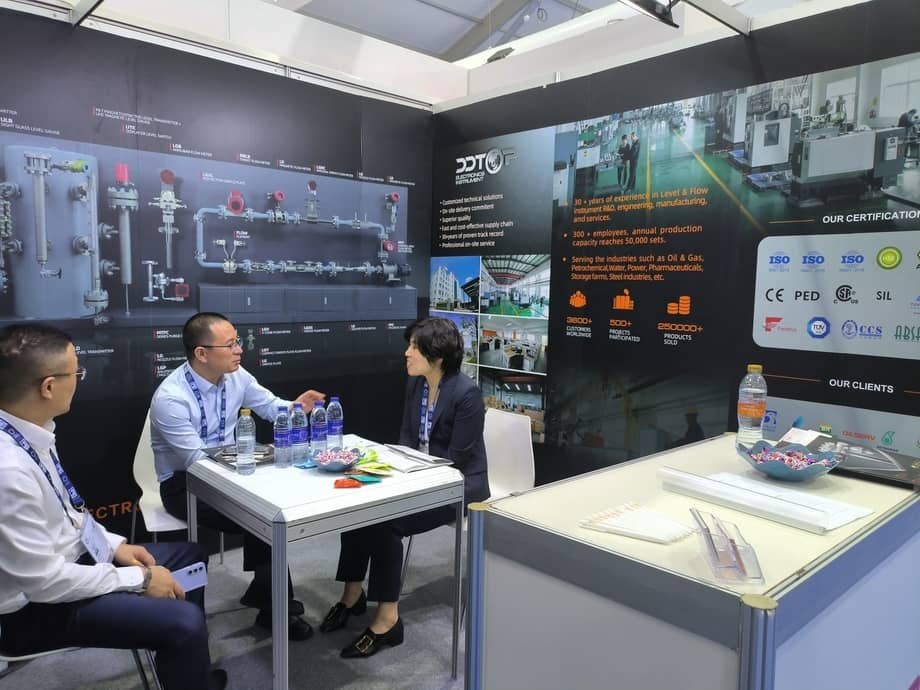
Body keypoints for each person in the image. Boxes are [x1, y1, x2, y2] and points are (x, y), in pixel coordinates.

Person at [0, 324, 226, 690]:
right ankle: (184, 647)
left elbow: (69, 514)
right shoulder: (9, 470)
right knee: (183, 623)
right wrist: (141, 579)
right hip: (35, 609)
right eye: (76, 373)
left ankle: (187, 672)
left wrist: (114, 545)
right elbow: (44, 582)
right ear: (48, 387)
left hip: (73, 565)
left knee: (190, 557)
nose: (80, 379)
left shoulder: (32, 431)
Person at [319, 317, 488, 658]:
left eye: (414, 347)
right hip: (418, 478)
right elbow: (407, 440)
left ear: (437, 354)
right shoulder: (417, 385)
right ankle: (352, 595)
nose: (406, 353)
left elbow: (456, 459)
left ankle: (388, 620)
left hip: (456, 486)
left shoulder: (466, 393)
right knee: (359, 509)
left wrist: (410, 479)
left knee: (386, 524)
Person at [150, 312, 324, 640]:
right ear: (201, 353)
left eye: (238, 341)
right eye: (230, 344)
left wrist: (297, 407)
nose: (239, 350)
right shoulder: (171, 398)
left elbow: (270, 406)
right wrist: (248, 489)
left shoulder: (236, 376)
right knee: (262, 514)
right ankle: (276, 607)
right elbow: (196, 462)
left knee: (269, 512)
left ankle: (269, 599)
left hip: (232, 470)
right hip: (184, 484)